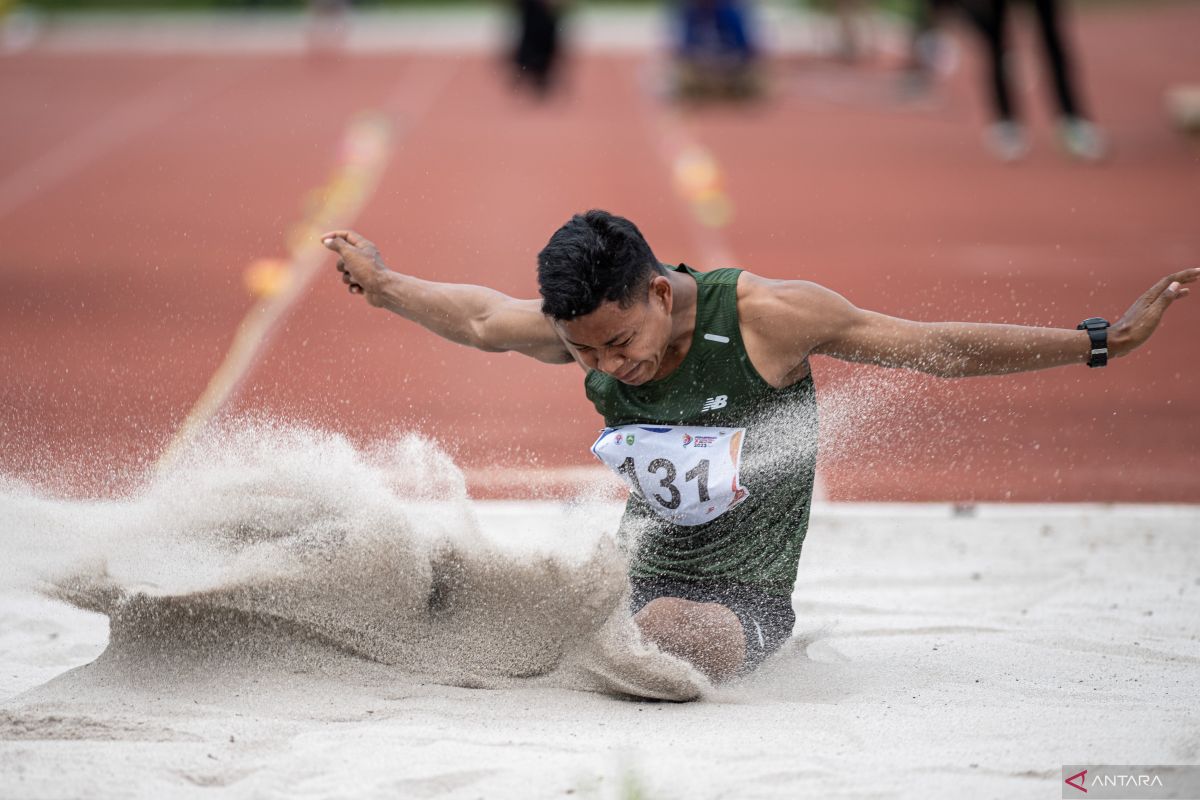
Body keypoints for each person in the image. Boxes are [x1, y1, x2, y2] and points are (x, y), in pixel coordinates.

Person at [322, 210, 1196, 682]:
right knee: (465, 580)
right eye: (581, 351)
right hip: (628, 574)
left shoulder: (769, 321)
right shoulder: (583, 333)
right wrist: (386, 283)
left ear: (659, 293)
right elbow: (480, 318)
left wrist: (1098, 342)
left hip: (740, 600)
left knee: (654, 636)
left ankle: (577, 635)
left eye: (616, 343)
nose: (603, 365)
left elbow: (936, 349)